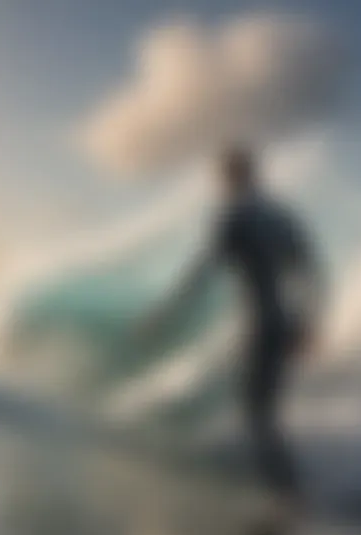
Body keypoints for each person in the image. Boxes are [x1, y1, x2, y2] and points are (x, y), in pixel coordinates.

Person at [137, 147, 324, 515]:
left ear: (230, 178)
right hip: (284, 321)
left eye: (223, 178)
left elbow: (202, 271)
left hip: (263, 323)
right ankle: (290, 494)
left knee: (258, 413)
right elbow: (309, 270)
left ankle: (289, 499)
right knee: (264, 412)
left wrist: (163, 314)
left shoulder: (234, 218)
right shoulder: (280, 217)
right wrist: (307, 323)